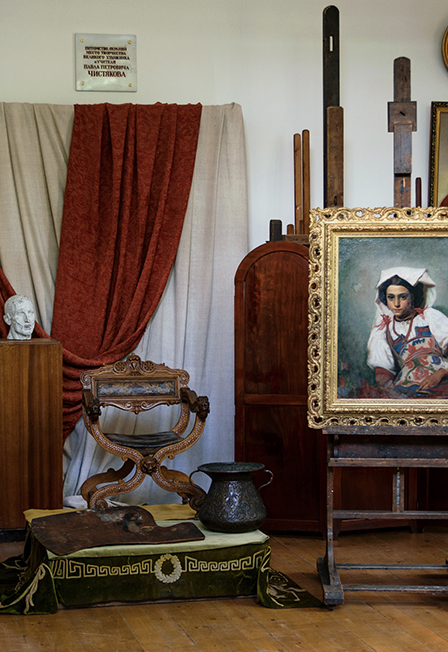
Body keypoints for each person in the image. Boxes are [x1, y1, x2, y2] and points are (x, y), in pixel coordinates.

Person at [367, 267, 448, 397]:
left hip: (441, 383)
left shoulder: (429, 317)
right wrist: (396, 397)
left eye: (403, 297)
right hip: (405, 390)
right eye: (391, 297)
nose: (396, 304)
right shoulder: (384, 331)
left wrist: (441, 373)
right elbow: (383, 375)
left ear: (413, 296)